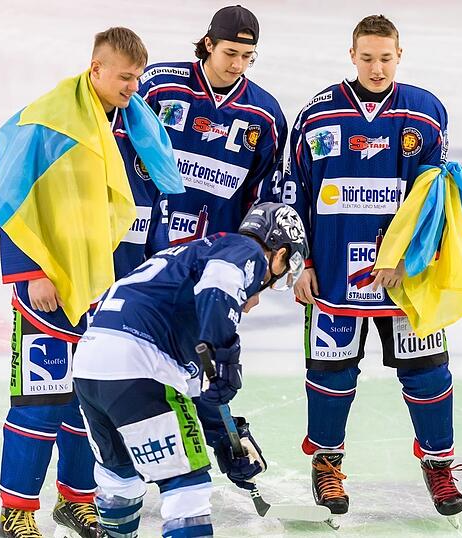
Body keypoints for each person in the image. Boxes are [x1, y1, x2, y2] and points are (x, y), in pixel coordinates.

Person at [0, 27, 182, 538]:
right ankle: (16, 511)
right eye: (124, 77)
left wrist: (152, 281)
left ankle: (76, 501)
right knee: (41, 402)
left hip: (113, 294)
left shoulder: (141, 129)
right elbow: (11, 198)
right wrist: (32, 271)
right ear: (96, 68)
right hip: (51, 289)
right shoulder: (49, 122)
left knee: (90, 407)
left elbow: (155, 210)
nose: (132, 88)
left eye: (138, 78)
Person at [282, 14, 462, 519]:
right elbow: (295, 193)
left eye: (386, 58)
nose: (377, 68)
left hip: (405, 277)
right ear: (352, 56)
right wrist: (301, 262)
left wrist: (410, 258)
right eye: (367, 58)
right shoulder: (317, 115)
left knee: (428, 373)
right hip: (334, 273)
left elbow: (435, 199)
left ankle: (439, 464)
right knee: (331, 374)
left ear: (399, 55)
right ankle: (327, 462)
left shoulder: (425, 114)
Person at [71, 202, 308, 537]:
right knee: (187, 482)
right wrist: (224, 354)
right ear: (280, 254)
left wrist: (225, 437)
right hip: (140, 363)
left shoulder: (187, 260)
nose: (259, 295)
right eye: (277, 276)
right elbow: (220, 286)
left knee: (121, 476)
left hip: (90, 364)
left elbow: (195, 389)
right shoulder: (245, 250)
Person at [140, 4, 287, 249]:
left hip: (218, 253)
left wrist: (249, 251)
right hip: (147, 243)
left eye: (247, 56)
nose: (238, 65)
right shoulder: (159, 86)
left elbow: (263, 194)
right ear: (209, 44)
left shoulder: (265, 114)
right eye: (230, 53)